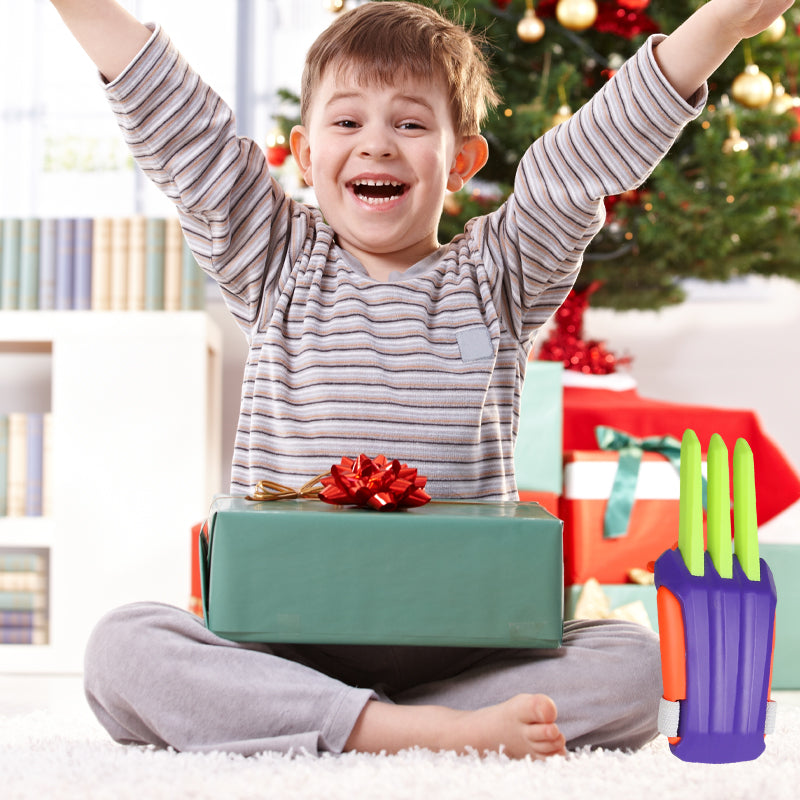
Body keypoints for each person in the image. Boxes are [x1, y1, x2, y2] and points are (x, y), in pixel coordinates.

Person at [49, 0, 793, 761]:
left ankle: (359, 722)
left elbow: (583, 164)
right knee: (123, 647)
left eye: (409, 124)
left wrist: (723, 26)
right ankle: (419, 732)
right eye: (347, 123)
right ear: (304, 156)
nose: (377, 144)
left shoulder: (499, 276)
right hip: (283, 645)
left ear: (462, 160)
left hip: (463, 649)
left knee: (633, 667)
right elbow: (184, 133)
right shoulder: (274, 262)